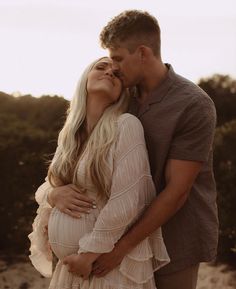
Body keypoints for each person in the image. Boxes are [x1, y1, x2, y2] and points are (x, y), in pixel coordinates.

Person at [47, 10, 219, 289]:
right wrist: (54, 194)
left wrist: (117, 251)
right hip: (111, 241)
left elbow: (177, 192)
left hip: (175, 238)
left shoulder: (193, 105)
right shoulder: (122, 96)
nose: (113, 68)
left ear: (142, 53)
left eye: (117, 59)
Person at [28, 56, 170, 289]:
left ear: (122, 93)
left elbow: (126, 201)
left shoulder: (126, 125)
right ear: (85, 78)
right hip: (70, 268)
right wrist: (53, 195)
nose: (109, 73)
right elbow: (47, 186)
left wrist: (88, 254)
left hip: (105, 266)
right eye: (101, 67)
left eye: (116, 74)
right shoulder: (70, 135)